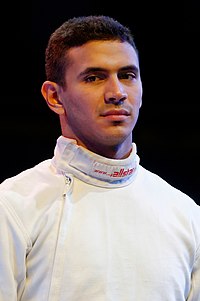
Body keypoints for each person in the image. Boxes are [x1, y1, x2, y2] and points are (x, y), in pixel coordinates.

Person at [0, 15, 199, 301]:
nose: (117, 93)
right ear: (54, 96)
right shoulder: (13, 207)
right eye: (94, 78)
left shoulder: (187, 216)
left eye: (128, 75)